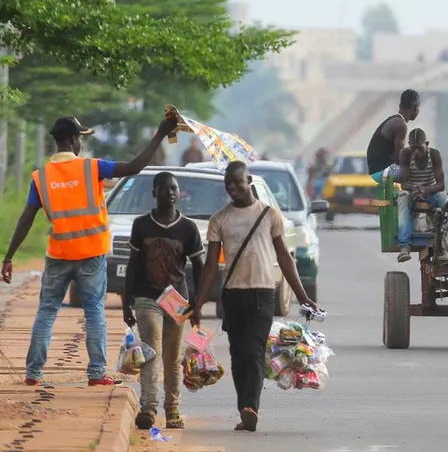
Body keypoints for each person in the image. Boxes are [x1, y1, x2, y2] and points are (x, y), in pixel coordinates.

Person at [1, 112, 179, 387]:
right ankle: (96, 373)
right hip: (91, 254)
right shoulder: (92, 168)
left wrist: (9, 256)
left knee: (47, 311)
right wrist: (160, 133)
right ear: (73, 140)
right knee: (94, 311)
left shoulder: (41, 177)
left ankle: (33, 373)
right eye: (80, 139)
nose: (80, 144)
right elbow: (134, 166)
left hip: (58, 254)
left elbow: (26, 218)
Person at [190, 161, 317, 432]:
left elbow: (284, 257)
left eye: (238, 182)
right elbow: (211, 265)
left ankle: (251, 406)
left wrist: (302, 295)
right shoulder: (219, 219)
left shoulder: (270, 214)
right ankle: (244, 408)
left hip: (262, 293)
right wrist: (199, 301)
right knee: (238, 354)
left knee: (254, 351)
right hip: (232, 295)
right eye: (229, 185)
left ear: (249, 180)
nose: (233, 188)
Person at [123, 172, 205, 431]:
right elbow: (133, 264)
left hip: (177, 300)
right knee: (151, 350)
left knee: (172, 357)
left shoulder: (188, 228)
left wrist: (197, 302)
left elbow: (199, 265)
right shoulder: (141, 225)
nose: (170, 193)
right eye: (164, 188)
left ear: (179, 193)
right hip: (147, 297)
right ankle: (148, 407)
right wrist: (127, 300)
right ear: (154, 193)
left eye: (174, 188)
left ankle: (173, 409)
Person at [395, 128, 446, 262]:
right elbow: (403, 183)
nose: (416, 152)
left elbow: (441, 185)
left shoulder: (434, 155)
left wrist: (426, 190)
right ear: (409, 145)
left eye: (420, 148)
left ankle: (447, 242)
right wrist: (415, 189)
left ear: (427, 144)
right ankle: (404, 247)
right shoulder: (405, 154)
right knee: (402, 200)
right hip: (411, 191)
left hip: (431, 190)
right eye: (413, 148)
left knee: (446, 203)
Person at [366, 89, 420, 183]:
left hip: (378, 170)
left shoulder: (395, 120)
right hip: (382, 171)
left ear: (400, 105)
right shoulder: (400, 125)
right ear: (415, 108)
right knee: (420, 174)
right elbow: (399, 158)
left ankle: (407, 196)